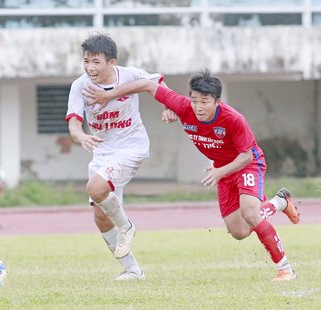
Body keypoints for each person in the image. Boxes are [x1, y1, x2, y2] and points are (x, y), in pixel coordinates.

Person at [82, 69, 300, 281]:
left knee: (250, 213)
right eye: (194, 100)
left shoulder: (234, 119)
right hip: (221, 169)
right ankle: (279, 203)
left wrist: (220, 171)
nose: (198, 107)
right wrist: (111, 95)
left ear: (217, 101)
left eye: (204, 102)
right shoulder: (184, 107)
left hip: (246, 165)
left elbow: (247, 157)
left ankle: (285, 269)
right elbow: (148, 84)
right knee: (239, 232)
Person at [65, 33, 176, 281]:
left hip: (131, 147)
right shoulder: (79, 86)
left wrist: (169, 105)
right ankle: (133, 270)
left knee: (95, 187)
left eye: (96, 62)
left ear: (112, 62)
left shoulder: (130, 75)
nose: (90, 68)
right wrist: (81, 137)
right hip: (102, 152)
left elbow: (157, 83)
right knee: (100, 217)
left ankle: (126, 226)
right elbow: (74, 125)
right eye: (86, 61)